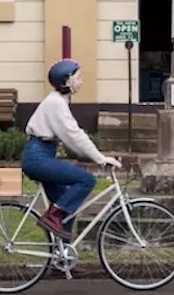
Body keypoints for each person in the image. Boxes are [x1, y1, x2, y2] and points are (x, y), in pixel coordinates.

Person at [22, 59, 122, 243]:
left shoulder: (59, 101)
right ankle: (52, 217)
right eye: (79, 77)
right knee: (86, 180)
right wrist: (100, 158)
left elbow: (72, 137)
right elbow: (74, 135)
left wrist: (89, 156)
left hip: (42, 155)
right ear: (67, 81)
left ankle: (62, 260)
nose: (81, 81)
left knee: (67, 208)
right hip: (38, 158)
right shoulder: (56, 104)